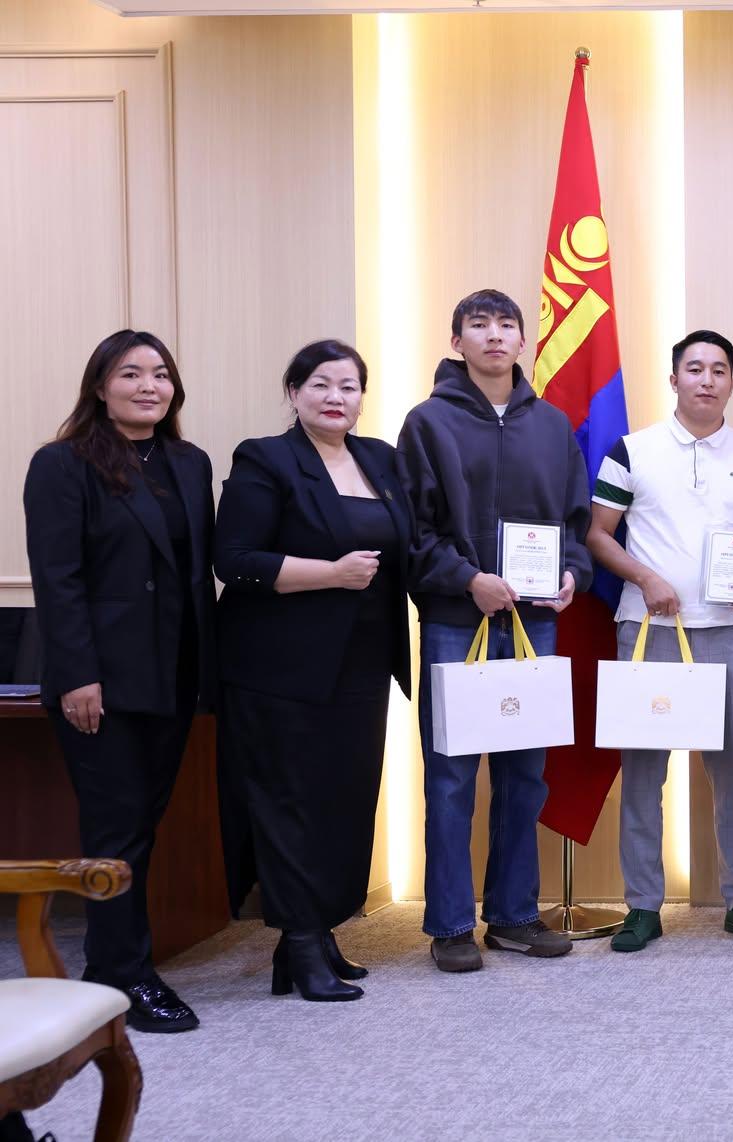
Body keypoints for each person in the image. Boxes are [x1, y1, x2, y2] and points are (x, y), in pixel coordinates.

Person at [23, 330, 216, 1032]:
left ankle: (120, 963)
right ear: (100, 387)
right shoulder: (62, 463)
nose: (148, 386)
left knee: (143, 823)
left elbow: (194, 575)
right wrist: (78, 676)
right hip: (101, 682)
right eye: (130, 374)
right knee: (117, 827)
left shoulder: (189, 462)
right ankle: (121, 975)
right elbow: (59, 579)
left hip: (173, 674)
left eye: (160, 374)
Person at [396, 289, 593, 972]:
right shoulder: (427, 423)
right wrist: (466, 579)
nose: (494, 335)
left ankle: (512, 916)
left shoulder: (552, 425)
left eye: (506, 324)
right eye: (478, 325)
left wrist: (572, 574)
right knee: (451, 776)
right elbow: (411, 531)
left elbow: (575, 524)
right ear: (457, 341)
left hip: (535, 621)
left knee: (525, 774)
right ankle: (450, 924)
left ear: (522, 340)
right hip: (457, 619)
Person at [214, 339, 411, 1002]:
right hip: (279, 665)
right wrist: (329, 574)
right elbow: (234, 560)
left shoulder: (380, 459)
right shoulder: (265, 458)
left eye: (349, 386)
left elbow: (411, 547)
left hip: (363, 662)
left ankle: (316, 933)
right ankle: (299, 939)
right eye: (321, 384)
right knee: (288, 801)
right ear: (294, 392)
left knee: (342, 800)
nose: (336, 397)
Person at [588, 330, 733, 950]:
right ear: (674, 379)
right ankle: (642, 906)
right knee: (643, 775)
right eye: (694, 368)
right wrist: (646, 578)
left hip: (727, 632)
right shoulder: (632, 450)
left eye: (718, 370)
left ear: (732, 382)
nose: (706, 379)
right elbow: (597, 534)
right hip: (649, 630)